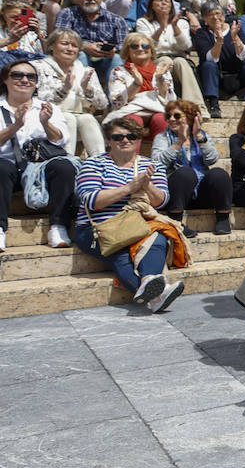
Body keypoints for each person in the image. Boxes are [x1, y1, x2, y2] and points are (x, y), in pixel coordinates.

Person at [73, 116, 184, 311]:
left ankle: (149, 281)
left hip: (136, 224)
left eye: (131, 136)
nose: (125, 140)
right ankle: (157, 294)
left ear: (138, 140)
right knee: (122, 255)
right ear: (109, 141)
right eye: (118, 137)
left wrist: (146, 184)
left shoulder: (151, 165)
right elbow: (91, 201)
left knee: (158, 237)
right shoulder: (93, 164)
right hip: (98, 228)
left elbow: (161, 201)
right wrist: (129, 187)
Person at [0, 58, 77, 251]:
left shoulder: (47, 107)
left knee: (64, 167)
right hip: (8, 168)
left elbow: (61, 140)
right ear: (5, 80)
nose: (24, 80)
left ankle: (58, 226)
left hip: (39, 170)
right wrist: (16, 126)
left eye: (30, 76)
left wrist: (45, 123)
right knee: (1, 167)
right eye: (17, 75)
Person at [152, 100, 232, 237]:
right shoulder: (162, 137)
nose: (171, 119)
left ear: (190, 117)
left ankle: (223, 218)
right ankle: (176, 221)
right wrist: (179, 142)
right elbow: (157, 163)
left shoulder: (202, 136)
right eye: (168, 116)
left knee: (219, 174)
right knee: (185, 173)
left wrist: (199, 136)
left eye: (176, 116)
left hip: (201, 193)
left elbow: (212, 159)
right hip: (177, 194)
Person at [35, 28, 108, 157]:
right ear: (52, 46)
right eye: (64, 44)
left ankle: (100, 163)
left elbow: (102, 104)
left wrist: (87, 89)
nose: (70, 48)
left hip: (80, 114)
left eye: (74, 46)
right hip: (49, 117)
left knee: (88, 119)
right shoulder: (38, 67)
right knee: (68, 118)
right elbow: (37, 99)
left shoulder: (87, 70)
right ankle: (66, 162)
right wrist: (64, 90)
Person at [135, 0, 206, 114]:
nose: (163, 3)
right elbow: (146, 47)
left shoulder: (182, 22)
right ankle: (165, 104)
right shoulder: (143, 22)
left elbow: (186, 46)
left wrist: (174, 27)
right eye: (159, 0)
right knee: (166, 60)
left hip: (179, 57)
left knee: (181, 62)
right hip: (157, 58)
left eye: (166, 1)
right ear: (152, 5)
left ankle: (195, 106)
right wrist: (161, 28)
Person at [54, 0, 126, 86]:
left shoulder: (116, 20)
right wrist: (84, 46)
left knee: (117, 58)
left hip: (105, 61)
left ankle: (115, 99)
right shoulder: (67, 14)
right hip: (76, 60)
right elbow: (60, 38)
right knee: (80, 54)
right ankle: (82, 96)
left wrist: (113, 50)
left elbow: (124, 45)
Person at [106, 33, 173, 136]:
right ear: (127, 50)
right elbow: (117, 102)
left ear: (151, 51)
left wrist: (159, 79)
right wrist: (136, 84)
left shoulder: (161, 71)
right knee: (132, 121)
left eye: (145, 46)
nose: (140, 49)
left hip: (157, 110)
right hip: (129, 112)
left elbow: (169, 100)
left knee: (161, 119)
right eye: (134, 46)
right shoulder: (118, 71)